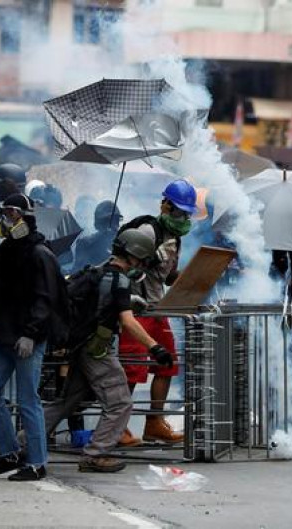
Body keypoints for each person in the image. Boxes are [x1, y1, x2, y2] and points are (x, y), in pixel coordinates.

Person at [43, 228, 172, 472]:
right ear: (134, 256)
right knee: (121, 403)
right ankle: (96, 453)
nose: (143, 266)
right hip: (97, 350)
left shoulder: (96, 272)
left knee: (67, 402)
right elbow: (127, 322)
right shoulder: (120, 280)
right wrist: (155, 347)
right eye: (142, 260)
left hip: (80, 346)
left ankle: (24, 442)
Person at [0, 194, 59, 482]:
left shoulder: (40, 254)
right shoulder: (4, 250)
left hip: (27, 340)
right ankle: (8, 453)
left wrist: (31, 334)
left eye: (12, 213)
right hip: (5, 337)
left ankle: (37, 462)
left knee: (28, 399)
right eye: (4, 213)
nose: (7, 219)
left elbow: (45, 300)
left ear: (26, 217)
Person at [117, 180, 196, 446]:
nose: (183, 218)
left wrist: (189, 275)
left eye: (187, 213)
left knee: (167, 364)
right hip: (136, 310)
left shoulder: (175, 238)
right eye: (179, 212)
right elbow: (126, 266)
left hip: (158, 308)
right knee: (132, 370)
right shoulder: (147, 231)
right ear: (165, 205)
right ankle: (117, 427)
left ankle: (154, 423)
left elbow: (167, 277)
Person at [73, 201, 122, 272]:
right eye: (110, 221)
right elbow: (79, 271)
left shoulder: (125, 244)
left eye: (115, 220)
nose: (113, 225)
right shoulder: (86, 244)